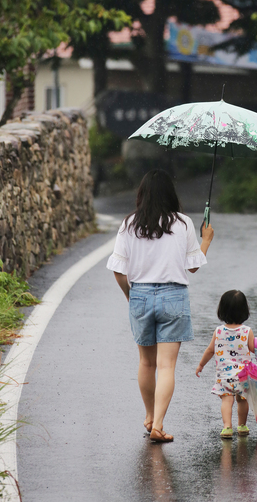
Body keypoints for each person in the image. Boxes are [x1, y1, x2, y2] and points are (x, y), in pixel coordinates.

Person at [107, 169, 214, 443]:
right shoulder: (184, 223)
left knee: (146, 362)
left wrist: (131, 297)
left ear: (142, 194)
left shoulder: (129, 224)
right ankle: (159, 423)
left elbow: (118, 271)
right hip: (173, 296)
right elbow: (193, 267)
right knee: (166, 366)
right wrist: (206, 241)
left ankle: (149, 416)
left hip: (140, 294)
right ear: (171, 194)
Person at [196, 289, 257, 438]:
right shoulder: (247, 331)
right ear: (245, 311)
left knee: (227, 399)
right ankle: (242, 426)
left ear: (222, 310)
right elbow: (256, 348)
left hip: (225, 375)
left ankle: (227, 427)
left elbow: (210, 350)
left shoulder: (218, 331)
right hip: (243, 376)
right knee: (242, 399)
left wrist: (201, 365)